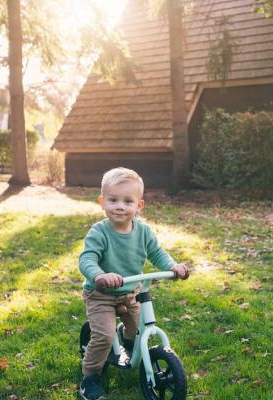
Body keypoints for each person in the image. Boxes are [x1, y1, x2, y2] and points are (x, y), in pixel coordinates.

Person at [78, 167, 189, 400]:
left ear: (139, 206)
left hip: (131, 291)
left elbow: (157, 253)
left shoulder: (144, 232)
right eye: (113, 200)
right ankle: (90, 377)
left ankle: (129, 346)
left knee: (138, 331)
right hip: (101, 294)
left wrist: (173, 266)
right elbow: (87, 259)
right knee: (105, 337)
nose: (120, 206)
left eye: (128, 201)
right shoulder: (99, 232)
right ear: (102, 202)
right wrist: (99, 275)